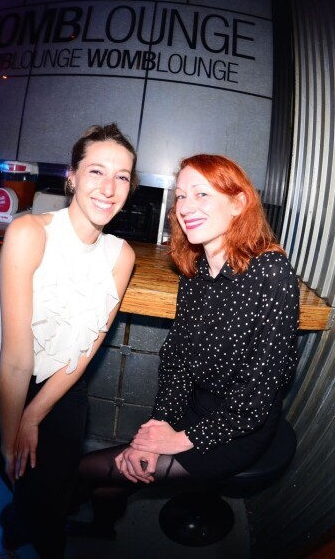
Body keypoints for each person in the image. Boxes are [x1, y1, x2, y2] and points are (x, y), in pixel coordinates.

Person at [65, 153, 300, 540]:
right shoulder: (195, 269)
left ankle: (47, 521)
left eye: (202, 194)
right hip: (193, 407)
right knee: (117, 476)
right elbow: (176, 361)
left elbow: (255, 398)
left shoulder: (270, 273)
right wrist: (160, 425)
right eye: (181, 196)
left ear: (238, 203)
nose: (186, 207)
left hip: (238, 429)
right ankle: (101, 529)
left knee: (86, 470)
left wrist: (178, 440)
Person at [0, 123, 137, 558]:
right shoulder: (30, 232)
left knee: (52, 494)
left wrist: (35, 415)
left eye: (121, 176)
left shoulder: (121, 256)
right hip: (1, 378)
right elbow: (16, 361)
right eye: (96, 171)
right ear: (72, 176)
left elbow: (88, 347)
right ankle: (14, 536)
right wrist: (13, 434)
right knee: (22, 482)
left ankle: (18, 535)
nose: (109, 188)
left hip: (63, 383)